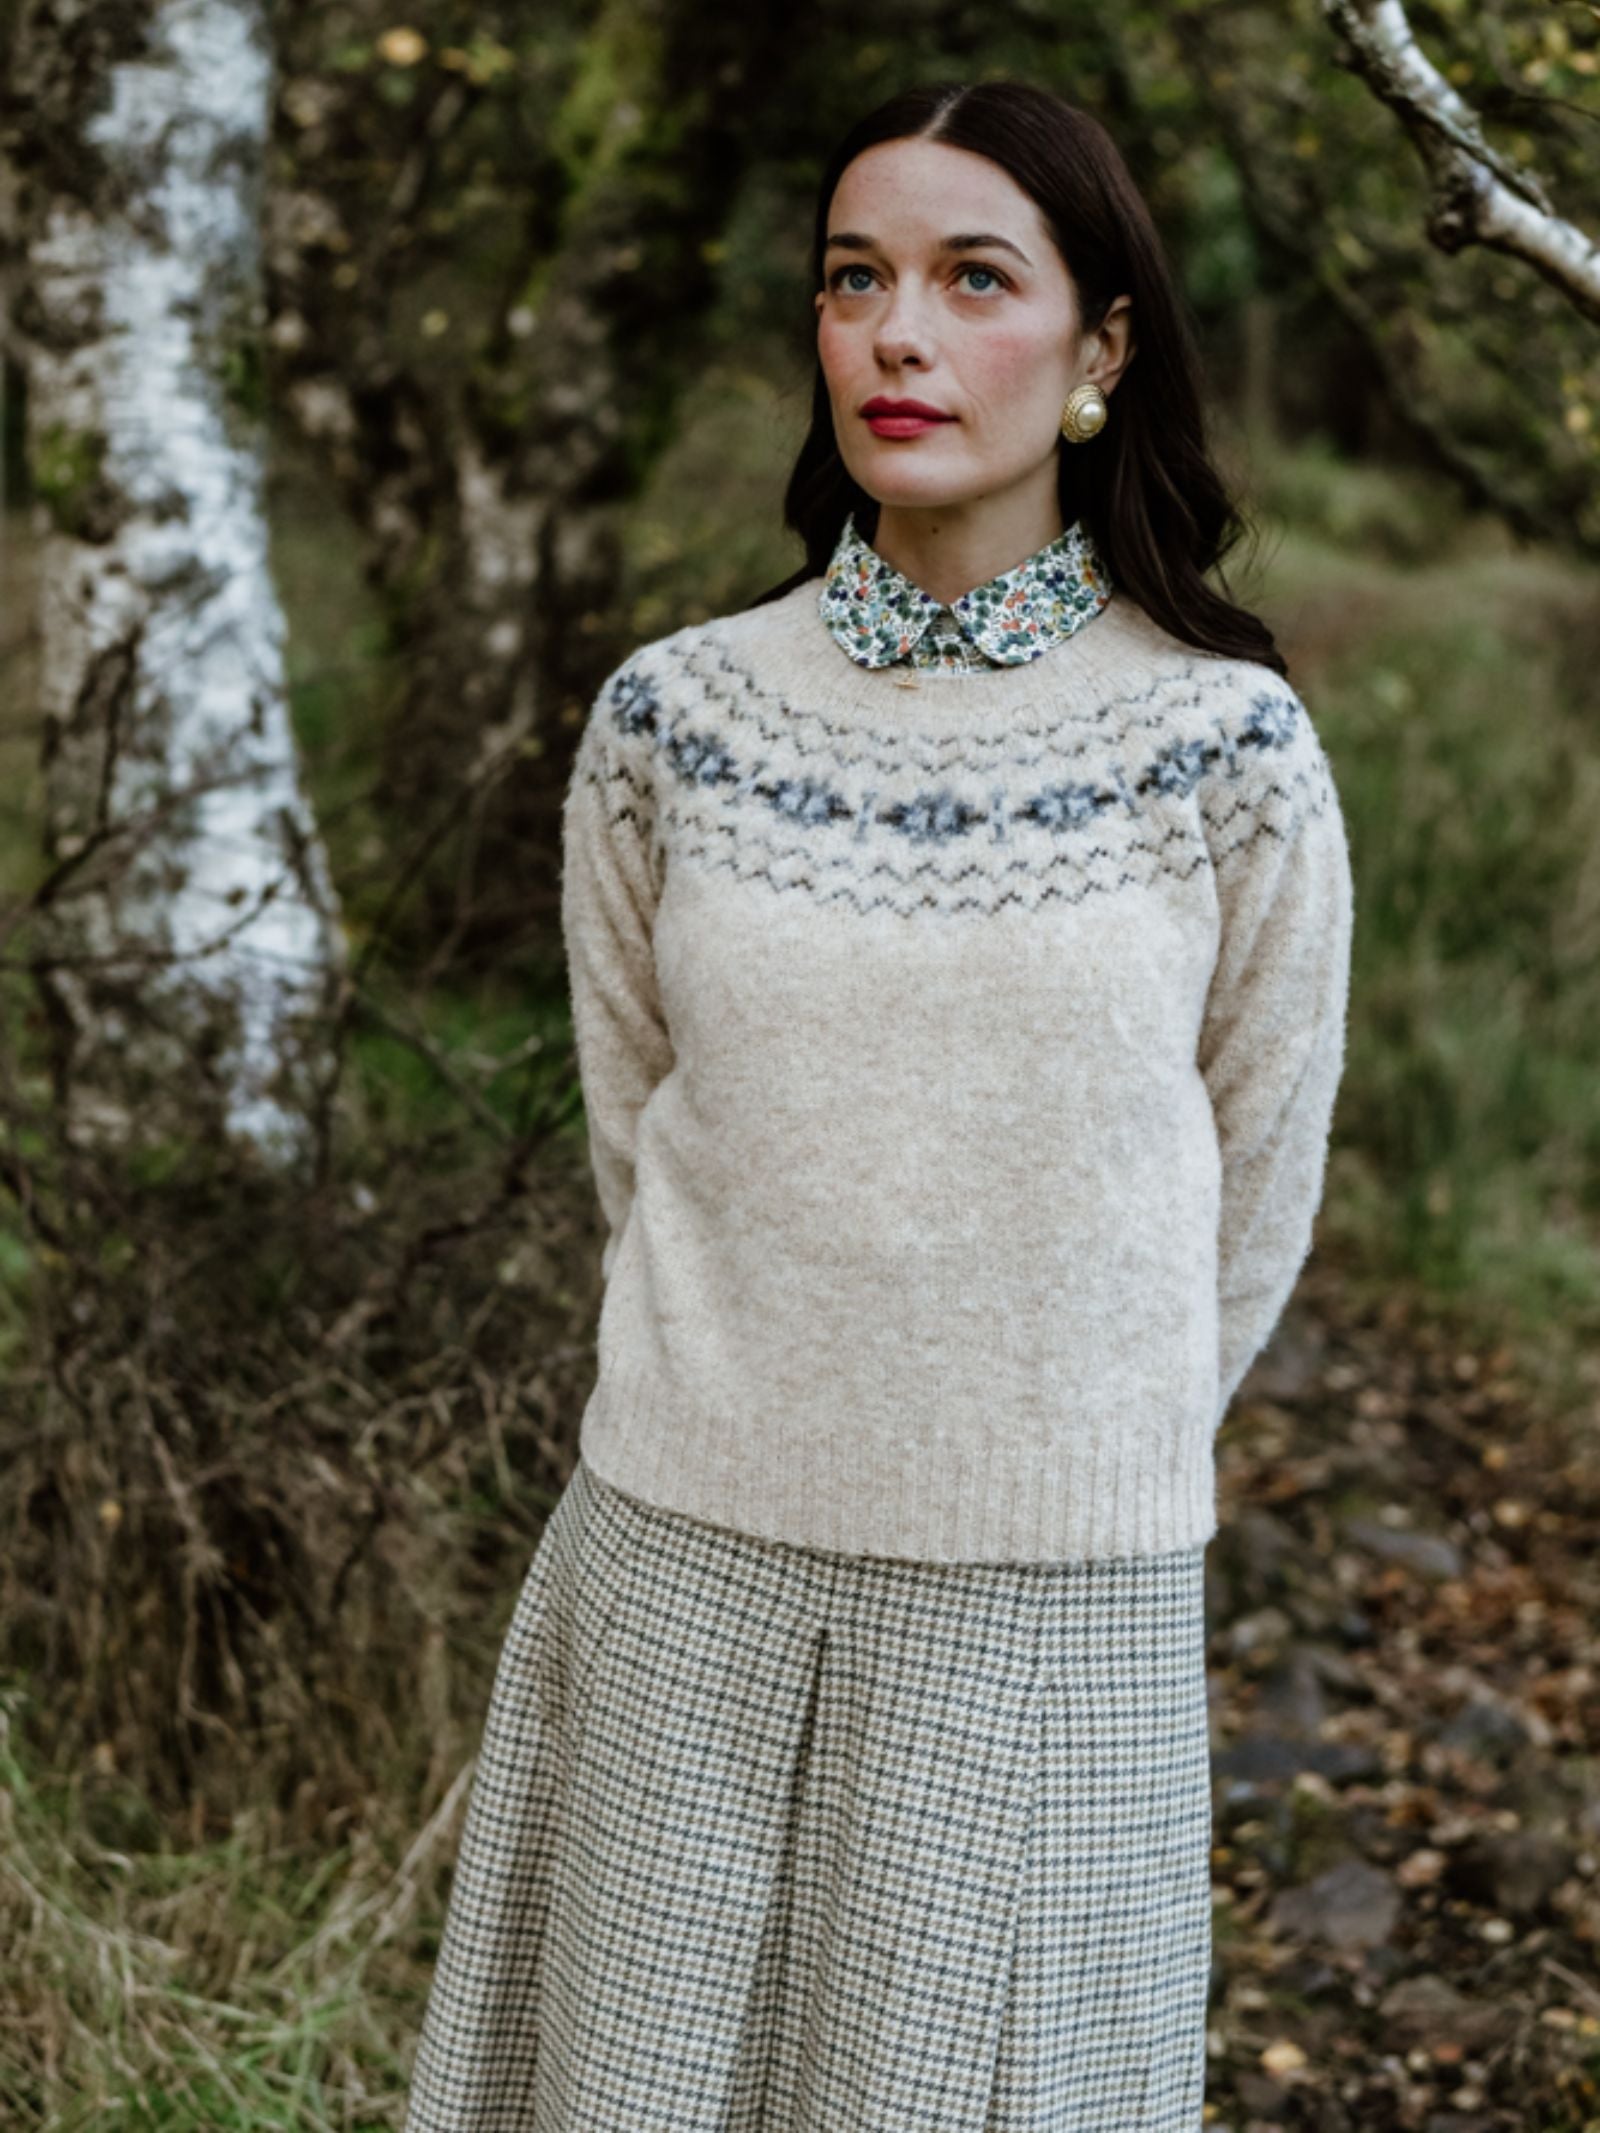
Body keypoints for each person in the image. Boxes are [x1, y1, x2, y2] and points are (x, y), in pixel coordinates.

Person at [403, 74, 1354, 2133]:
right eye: (853, 280)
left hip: (1040, 1604)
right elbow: (635, 1129)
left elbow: (1253, 1187)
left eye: (969, 279)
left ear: (1098, 349)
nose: (895, 335)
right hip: (685, 1563)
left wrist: (1049, 1457)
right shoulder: (677, 718)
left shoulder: (1221, 748)